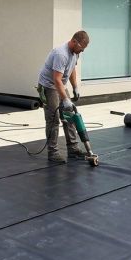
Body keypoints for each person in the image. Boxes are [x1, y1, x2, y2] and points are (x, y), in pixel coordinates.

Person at [37, 30, 90, 163]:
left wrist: (75, 87)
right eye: (81, 48)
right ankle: (52, 152)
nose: (82, 51)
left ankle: (73, 149)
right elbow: (56, 79)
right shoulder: (61, 54)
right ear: (73, 42)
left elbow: (72, 69)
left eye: (84, 49)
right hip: (49, 86)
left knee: (70, 115)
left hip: (60, 84)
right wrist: (65, 99)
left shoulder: (75, 53)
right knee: (53, 119)